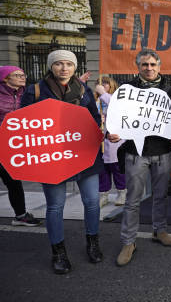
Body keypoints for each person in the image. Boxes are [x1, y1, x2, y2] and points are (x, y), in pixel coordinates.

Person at [20, 50, 104, 274]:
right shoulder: (35, 90)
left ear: (75, 67)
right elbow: (23, 124)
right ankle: (58, 252)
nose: (64, 68)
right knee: (55, 206)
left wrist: (102, 132)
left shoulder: (84, 90)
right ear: (51, 67)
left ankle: (92, 243)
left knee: (93, 202)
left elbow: (94, 119)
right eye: (58, 64)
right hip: (52, 158)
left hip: (85, 155)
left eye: (68, 64)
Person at [110, 48, 171, 267]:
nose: (149, 68)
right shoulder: (126, 89)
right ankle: (128, 241)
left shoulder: (169, 89)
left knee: (160, 195)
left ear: (159, 66)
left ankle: (159, 231)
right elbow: (115, 117)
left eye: (152, 65)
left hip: (162, 153)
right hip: (135, 153)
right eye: (145, 65)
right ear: (138, 67)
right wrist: (111, 133)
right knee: (133, 200)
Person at [0, 66, 41, 227]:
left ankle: (20, 215)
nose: (22, 77)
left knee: (13, 180)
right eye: (17, 75)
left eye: (23, 75)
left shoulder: (28, 93)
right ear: (5, 78)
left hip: (12, 147)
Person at [95, 76, 126, 207]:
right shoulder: (95, 101)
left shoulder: (117, 98)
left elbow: (119, 109)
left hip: (115, 142)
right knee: (102, 171)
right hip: (99, 141)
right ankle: (103, 195)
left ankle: (122, 193)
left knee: (117, 170)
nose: (103, 85)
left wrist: (103, 94)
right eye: (100, 83)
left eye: (106, 83)